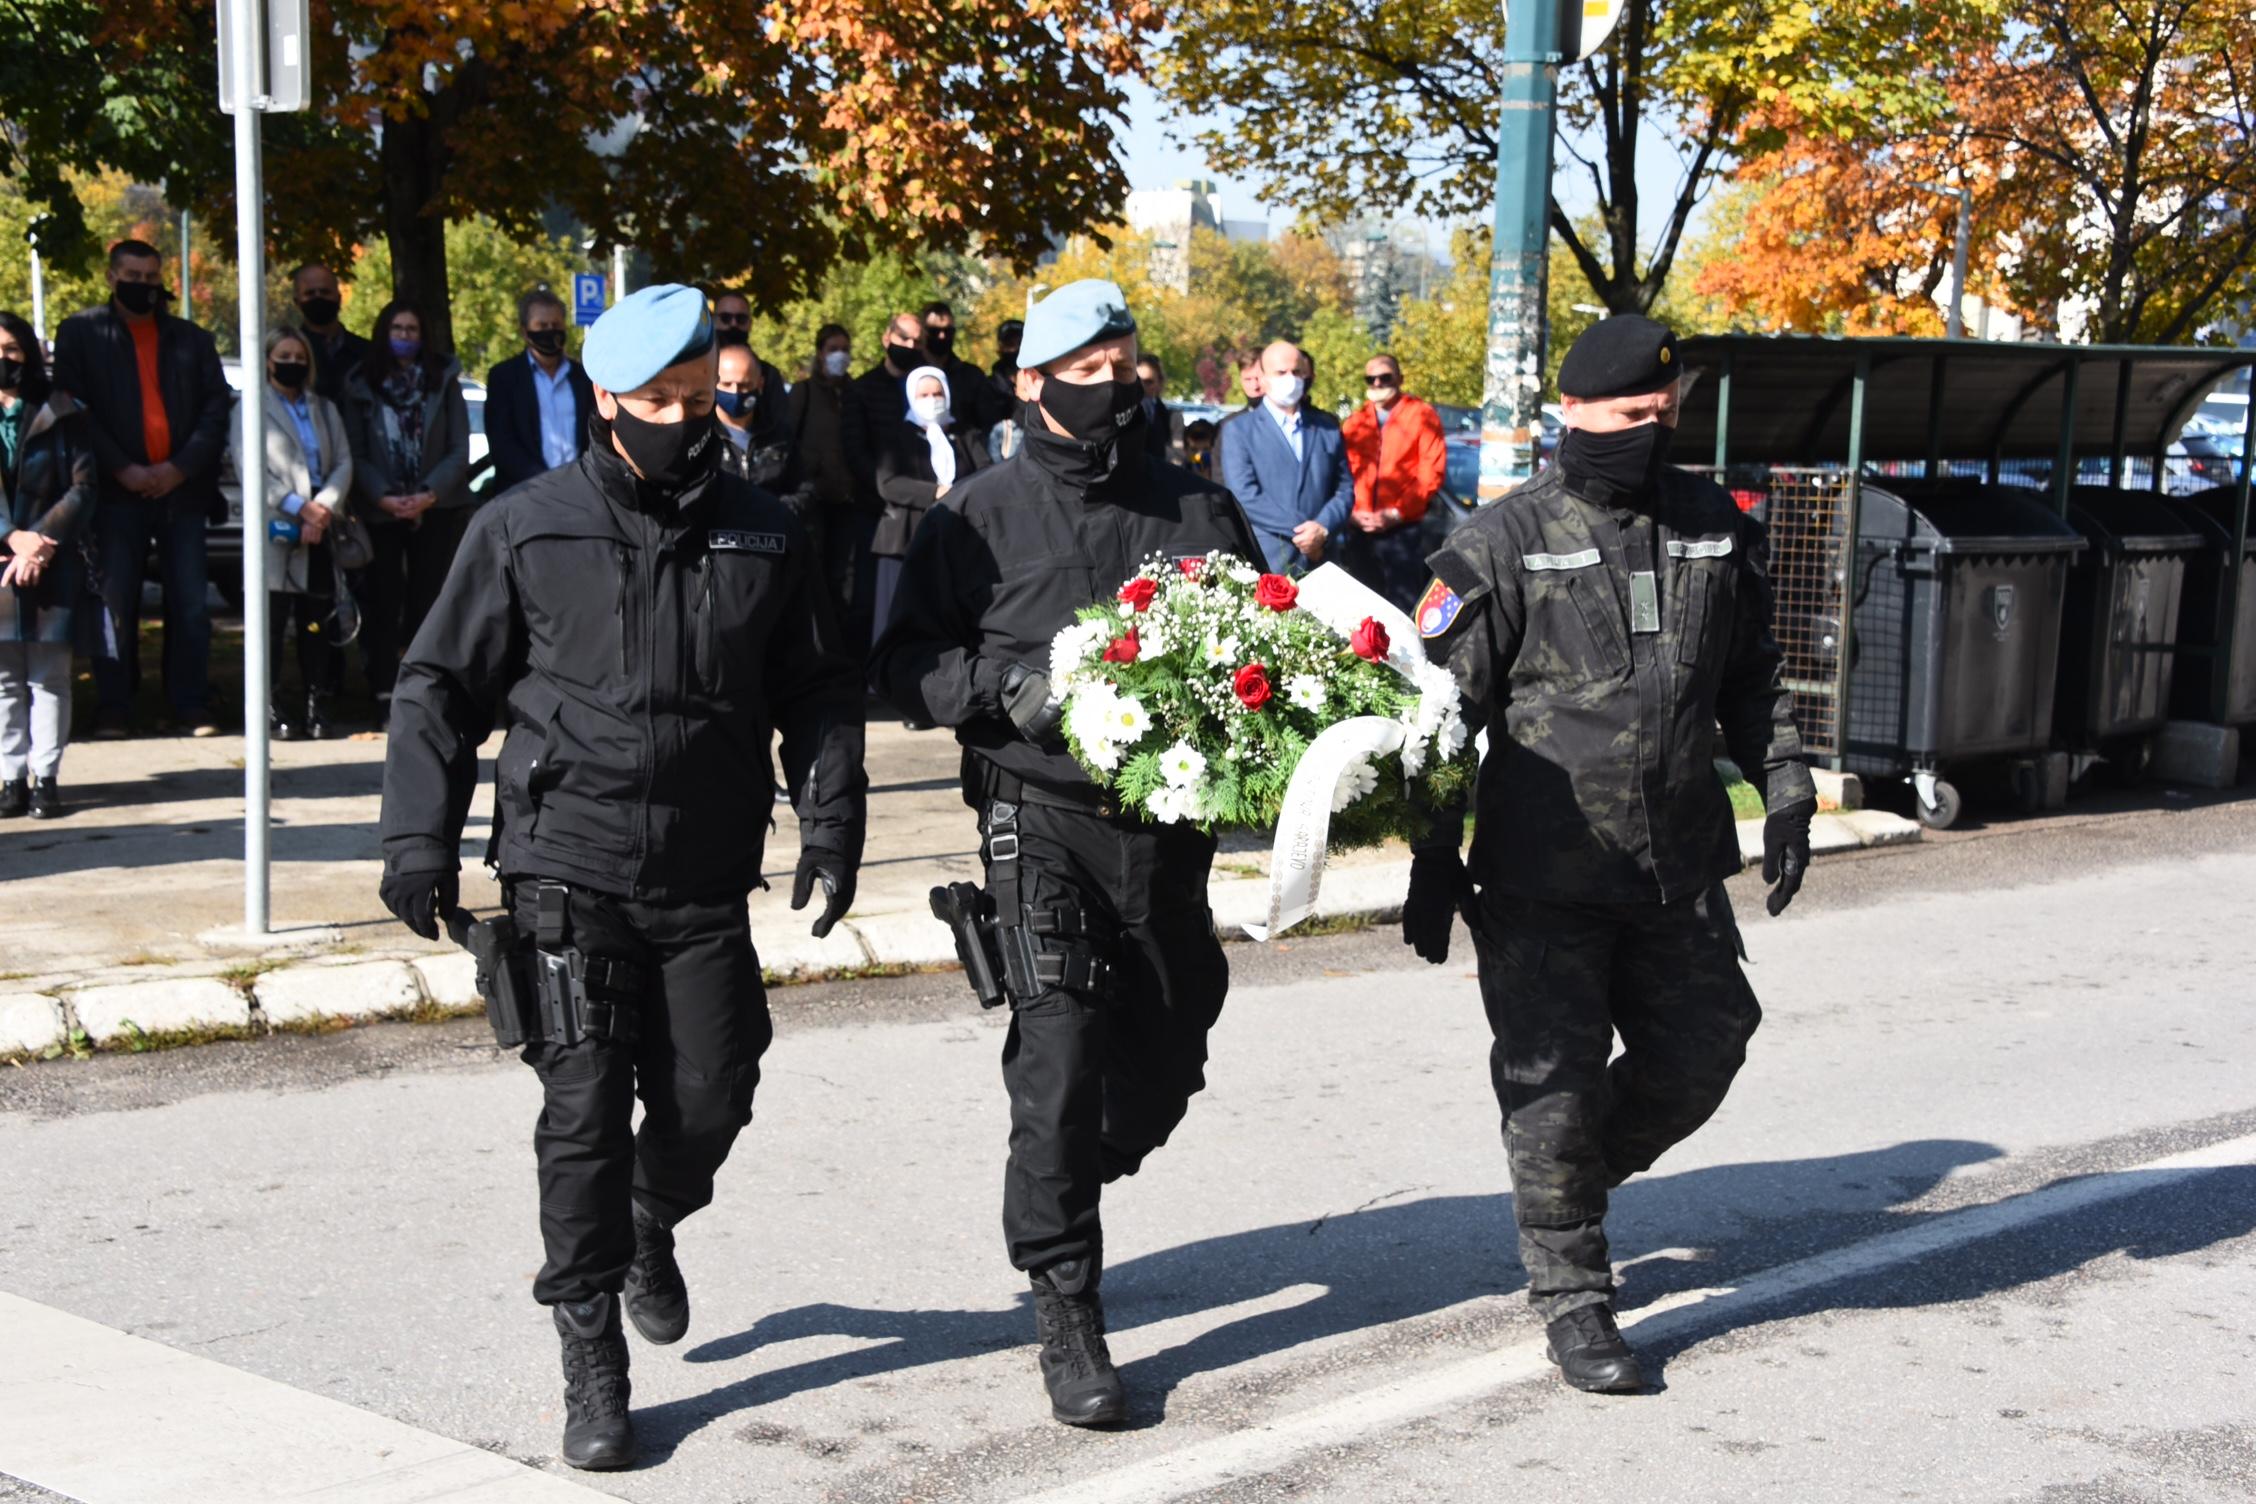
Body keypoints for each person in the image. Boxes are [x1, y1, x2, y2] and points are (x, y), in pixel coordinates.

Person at [377, 284, 866, 1471]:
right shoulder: (524, 525)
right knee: (581, 1116)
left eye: (701, 400)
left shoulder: (765, 529)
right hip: (565, 864)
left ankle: (655, 1215)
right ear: (605, 400)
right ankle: (589, 1344)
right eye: (659, 402)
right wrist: (416, 838)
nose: (685, 421)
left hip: (703, 874)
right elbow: (438, 685)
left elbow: (814, 689)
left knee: (717, 1089)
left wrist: (832, 818)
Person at [871, 279, 1262, 1430]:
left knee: (1173, 1041)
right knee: (1059, 1045)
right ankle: (1065, 1300)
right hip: (1034, 813)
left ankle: (1066, 1178)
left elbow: (1261, 644)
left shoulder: (1195, 508)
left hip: (1169, 830)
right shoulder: (974, 515)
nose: (1112, 387)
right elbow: (904, 665)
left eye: (1123, 365)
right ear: (1032, 382)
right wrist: (1002, 686)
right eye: (1083, 372)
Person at [1404, 315, 1817, 1395]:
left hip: (1676, 858)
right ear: (1573, 413)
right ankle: (1576, 1295)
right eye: (1633, 417)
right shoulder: (1501, 540)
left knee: (1708, 1046)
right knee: (1553, 1088)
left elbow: (1753, 672)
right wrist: (1432, 850)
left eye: (1664, 416)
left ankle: (1571, 1184)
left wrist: (1783, 782)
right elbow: (1441, 715)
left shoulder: (1709, 523)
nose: (1652, 433)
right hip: (1546, 873)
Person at [52, 238, 230, 738]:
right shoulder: (81, 334)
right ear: (111, 277)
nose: (143, 286)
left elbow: (217, 408)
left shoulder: (191, 339)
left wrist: (180, 467)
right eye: (133, 277)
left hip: (183, 493)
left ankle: (190, 702)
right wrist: (122, 468)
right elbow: (75, 407)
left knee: (192, 604)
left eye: (152, 278)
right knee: (115, 602)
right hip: (113, 495)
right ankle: (114, 705)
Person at [342, 300, 473, 730]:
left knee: (429, 604)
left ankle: (427, 693)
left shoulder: (444, 379)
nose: (405, 336)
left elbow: (458, 448)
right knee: (384, 605)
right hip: (380, 512)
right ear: (384, 333)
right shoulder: (362, 382)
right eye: (397, 328)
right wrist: (383, 496)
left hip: (436, 509)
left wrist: (427, 494)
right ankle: (383, 693)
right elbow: (355, 452)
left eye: (412, 328)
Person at [236, 328, 354, 741]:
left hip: (319, 530)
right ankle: (269, 707)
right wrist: (298, 507)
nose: (292, 362)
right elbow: (249, 468)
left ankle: (315, 705)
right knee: (272, 625)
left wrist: (321, 509)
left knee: (316, 624)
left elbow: (342, 461)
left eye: (299, 356)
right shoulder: (251, 407)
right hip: (275, 530)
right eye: (283, 355)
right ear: (268, 360)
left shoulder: (323, 408)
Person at [0, 311, 93, 819]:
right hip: (1, 558)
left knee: (49, 676)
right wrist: (11, 539)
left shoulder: (63, 410)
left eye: (13, 349)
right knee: (5, 679)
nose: (4, 359)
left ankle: (46, 778)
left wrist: (40, 542)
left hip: (52, 559)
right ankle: (11, 777)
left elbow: (83, 486)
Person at [1217, 339, 1354, 575]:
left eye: (1297, 372)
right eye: (1281, 372)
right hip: (1270, 559)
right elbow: (1244, 494)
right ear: (1263, 377)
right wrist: (1303, 532)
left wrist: (1323, 528)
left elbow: (1344, 489)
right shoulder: (1239, 430)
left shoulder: (1327, 428)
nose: (1291, 379)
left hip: (1322, 559)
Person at [871, 363, 985, 638]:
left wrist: (960, 495)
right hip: (904, 540)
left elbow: (986, 473)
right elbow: (888, 483)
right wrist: (936, 493)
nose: (932, 400)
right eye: (924, 395)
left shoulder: (965, 435)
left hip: (958, 538)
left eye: (937, 393)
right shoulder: (897, 436)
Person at [837, 312, 927, 652]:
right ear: (886, 338)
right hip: (877, 511)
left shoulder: (924, 387)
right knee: (868, 597)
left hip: (922, 507)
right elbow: (855, 450)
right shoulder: (862, 390)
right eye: (904, 338)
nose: (911, 346)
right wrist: (888, 489)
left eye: (917, 341)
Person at [1339, 353, 1447, 606]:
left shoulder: (1422, 415)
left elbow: (1430, 472)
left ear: (1399, 378)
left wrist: (1396, 513)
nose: (1377, 383)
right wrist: (1352, 512)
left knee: (1403, 605)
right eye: (1371, 378)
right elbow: (1342, 472)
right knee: (1360, 606)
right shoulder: (1355, 422)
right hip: (1359, 529)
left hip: (1402, 529)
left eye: (1385, 377)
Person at [485, 289, 595, 497]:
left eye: (556, 325)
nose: (550, 331)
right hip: (524, 496)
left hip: (579, 494)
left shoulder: (584, 378)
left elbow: (594, 436)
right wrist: (546, 484)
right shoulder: (504, 378)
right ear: (525, 332)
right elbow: (502, 444)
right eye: (542, 326)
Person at [789, 322, 859, 631]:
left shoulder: (855, 392)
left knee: (845, 575)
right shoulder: (804, 391)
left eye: (845, 349)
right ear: (820, 354)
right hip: (815, 498)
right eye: (833, 350)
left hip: (849, 498)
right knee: (815, 570)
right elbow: (789, 439)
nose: (839, 356)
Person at [920, 300, 1012, 432]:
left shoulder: (972, 377)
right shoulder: (908, 374)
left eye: (948, 331)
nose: (942, 336)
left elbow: (989, 423)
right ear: (923, 332)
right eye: (934, 331)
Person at [291, 263, 371, 406]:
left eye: (325, 292)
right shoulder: (290, 355)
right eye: (310, 293)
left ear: (339, 298)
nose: (318, 298)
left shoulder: (367, 352)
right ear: (297, 302)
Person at [1135, 354, 1180, 465]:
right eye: (1136, 381)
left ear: (1159, 383)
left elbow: (1178, 457)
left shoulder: (1172, 417)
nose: (1141, 387)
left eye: (1148, 382)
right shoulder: (1118, 414)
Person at [1181, 417, 1220, 482]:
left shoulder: (1224, 473)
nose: (1200, 455)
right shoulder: (1181, 473)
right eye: (1194, 450)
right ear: (1185, 450)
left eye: (1206, 449)